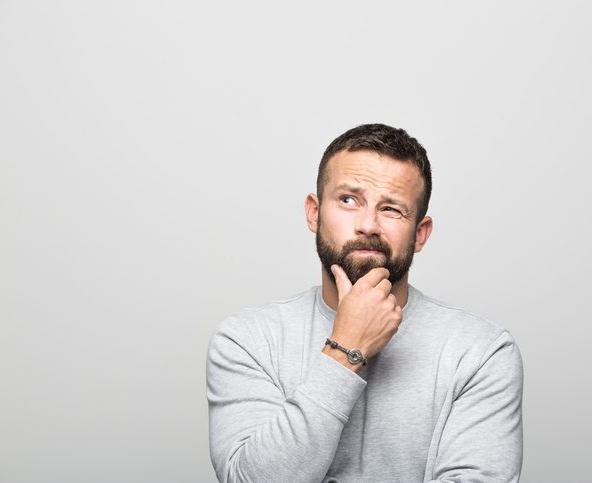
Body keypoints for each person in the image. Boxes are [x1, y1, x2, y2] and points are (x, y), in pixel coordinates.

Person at [207, 124, 523, 482]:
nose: (368, 224)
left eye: (391, 209)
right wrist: (346, 350)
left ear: (419, 233)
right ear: (314, 212)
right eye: (348, 200)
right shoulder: (247, 340)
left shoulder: (481, 351)